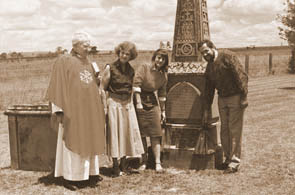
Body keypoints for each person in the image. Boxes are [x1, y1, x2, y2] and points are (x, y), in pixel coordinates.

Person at [47, 31, 105, 190]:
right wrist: (58, 109)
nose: (88, 48)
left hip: (89, 110)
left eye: (89, 45)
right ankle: (71, 177)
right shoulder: (64, 61)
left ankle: (89, 174)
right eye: (85, 46)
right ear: (76, 46)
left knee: (89, 139)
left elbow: (94, 85)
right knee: (74, 139)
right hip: (73, 110)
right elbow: (57, 84)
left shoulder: (90, 63)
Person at [198, 39, 248, 174]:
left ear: (213, 47)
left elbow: (241, 76)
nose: (205, 55)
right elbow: (208, 89)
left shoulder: (228, 56)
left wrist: (243, 96)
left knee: (234, 129)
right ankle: (227, 159)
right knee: (224, 130)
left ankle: (235, 162)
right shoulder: (209, 66)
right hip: (222, 98)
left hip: (235, 96)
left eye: (206, 51)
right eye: (203, 53)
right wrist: (207, 109)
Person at [101, 41, 144, 177]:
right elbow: (102, 88)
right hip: (113, 103)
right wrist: (104, 107)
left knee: (126, 134)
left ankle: (123, 165)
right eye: (122, 53)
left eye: (127, 54)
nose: (124, 56)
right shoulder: (110, 68)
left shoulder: (131, 70)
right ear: (118, 53)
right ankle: (115, 166)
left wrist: (132, 104)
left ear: (131, 56)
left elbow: (131, 89)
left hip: (127, 104)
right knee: (114, 134)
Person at [133, 49, 169, 172]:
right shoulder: (144, 67)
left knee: (156, 132)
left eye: (163, 59)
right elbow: (136, 85)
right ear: (154, 57)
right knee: (142, 134)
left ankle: (157, 162)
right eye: (158, 57)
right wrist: (138, 103)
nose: (160, 60)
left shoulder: (163, 75)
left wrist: (163, 111)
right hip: (139, 99)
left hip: (152, 101)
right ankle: (143, 161)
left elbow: (162, 94)